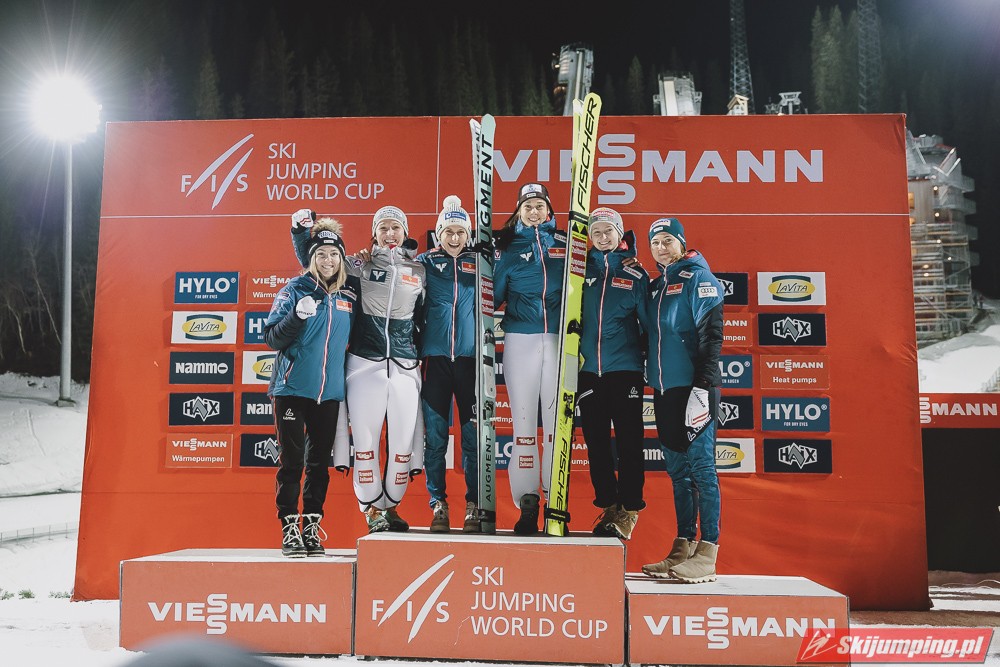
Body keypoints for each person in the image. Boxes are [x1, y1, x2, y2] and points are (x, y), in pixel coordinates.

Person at [291, 207, 425, 535]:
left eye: (395, 227)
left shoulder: (420, 269)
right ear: (374, 232)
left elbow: (428, 313)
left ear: (405, 231)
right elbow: (317, 265)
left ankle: (390, 506)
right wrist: (300, 233)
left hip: (405, 364)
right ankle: (371, 509)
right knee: (365, 442)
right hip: (366, 362)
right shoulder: (356, 265)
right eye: (383, 228)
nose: (390, 234)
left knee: (402, 445)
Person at [264, 219, 357, 557]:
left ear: (341, 258)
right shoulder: (294, 290)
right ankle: (289, 525)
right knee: (292, 462)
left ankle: (311, 526)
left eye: (334, 254)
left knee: (319, 465)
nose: (328, 260)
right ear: (311, 257)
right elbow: (272, 337)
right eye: (321, 254)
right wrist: (297, 317)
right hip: (291, 389)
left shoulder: (349, 295)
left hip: (328, 394)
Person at [639, 217, 725, 583]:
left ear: (681, 242)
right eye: (655, 242)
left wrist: (702, 386)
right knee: (678, 472)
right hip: (664, 390)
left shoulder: (699, 279)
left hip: (695, 388)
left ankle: (708, 551)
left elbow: (712, 336)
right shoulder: (657, 286)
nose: (661, 247)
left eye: (667, 240)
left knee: (702, 470)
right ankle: (683, 547)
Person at [493, 182, 565, 534]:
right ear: (518, 212)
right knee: (523, 428)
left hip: (559, 342)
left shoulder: (567, 243)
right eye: (527, 207)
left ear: (549, 210)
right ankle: (527, 504)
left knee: (555, 430)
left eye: (539, 206)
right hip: (521, 339)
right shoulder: (507, 247)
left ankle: (555, 504)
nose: (534, 212)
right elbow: (492, 296)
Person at [578, 207, 649, 541]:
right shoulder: (579, 270)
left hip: (625, 370)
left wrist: (647, 362)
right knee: (596, 443)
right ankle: (609, 505)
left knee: (630, 441)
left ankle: (630, 508)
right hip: (588, 371)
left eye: (609, 231)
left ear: (619, 234)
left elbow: (649, 324)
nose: (603, 237)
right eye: (597, 232)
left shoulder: (635, 274)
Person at [416, 195, 481, 533]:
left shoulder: (480, 262)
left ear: (468, 234)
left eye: (460, 232)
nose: (454, 238)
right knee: (436, 439)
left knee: (471, 438)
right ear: (439, 232)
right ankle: (438, 504)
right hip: (436, 361)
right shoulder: (425, 262)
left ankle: (473, 505)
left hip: (470, 363)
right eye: (448, 231)